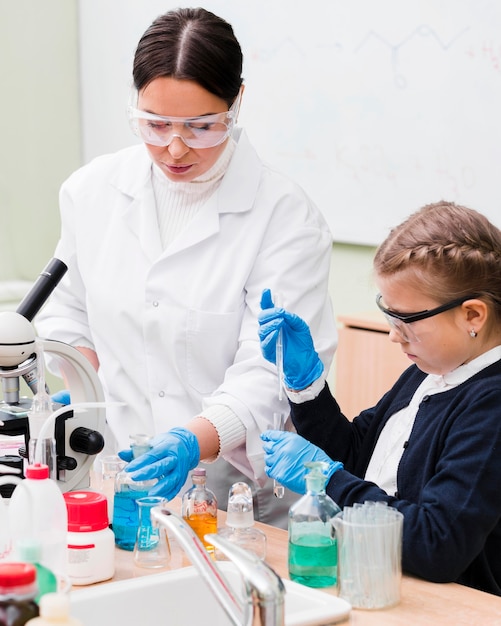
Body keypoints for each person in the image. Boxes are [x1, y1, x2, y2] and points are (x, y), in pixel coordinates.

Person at [35, 7, 336, 527]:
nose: (174, 147)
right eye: (154, 124)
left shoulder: (284, 216)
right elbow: (65, 306)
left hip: (238, 492)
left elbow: (268, 373)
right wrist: (80, 373)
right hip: (116, 471)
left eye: (200, 127)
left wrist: (190, 442)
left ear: (236, 102)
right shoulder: (90, 192)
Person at [258, 200, 501, 594]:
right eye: (388, 315)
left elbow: (435, 544)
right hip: (377, 582)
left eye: (406, 320)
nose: (393, 334)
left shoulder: (490, 405)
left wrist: (330, 480)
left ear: (473, 315)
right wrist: (307, 388)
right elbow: (355, 455)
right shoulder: (428, 373)